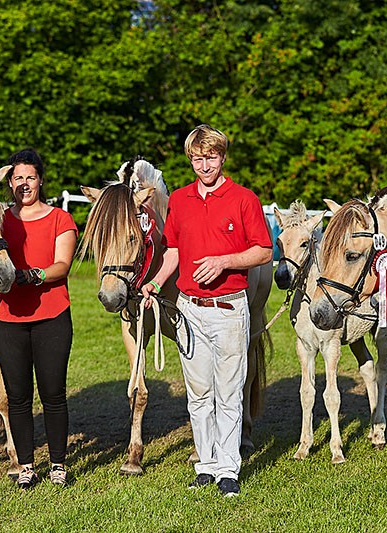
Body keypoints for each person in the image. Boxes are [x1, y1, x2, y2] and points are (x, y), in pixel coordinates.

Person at [140, 124, 272, 497]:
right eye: (197, 159)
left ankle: (228, 469)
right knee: (198, 393)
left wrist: (224, 261)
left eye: (211, 157)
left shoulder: (244, 199)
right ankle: (207, 465)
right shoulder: (180, 200)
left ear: (222, 157)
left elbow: (264, 251)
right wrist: (154, 282)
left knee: (228, 392)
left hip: (229, 308)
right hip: (189, 309)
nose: (204, 165)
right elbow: (173, 250)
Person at [0, 149, 78, 489]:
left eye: (30, 177)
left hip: (51, 316)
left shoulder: (60, 219)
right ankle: (26, 465)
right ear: (9, 183)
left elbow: (62, 266)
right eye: (17, 178)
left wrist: (31, 275)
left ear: (40, 180)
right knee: (18, 396)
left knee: (53, 393)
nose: (24, 184)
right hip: (6, 318)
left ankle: (58, 464)